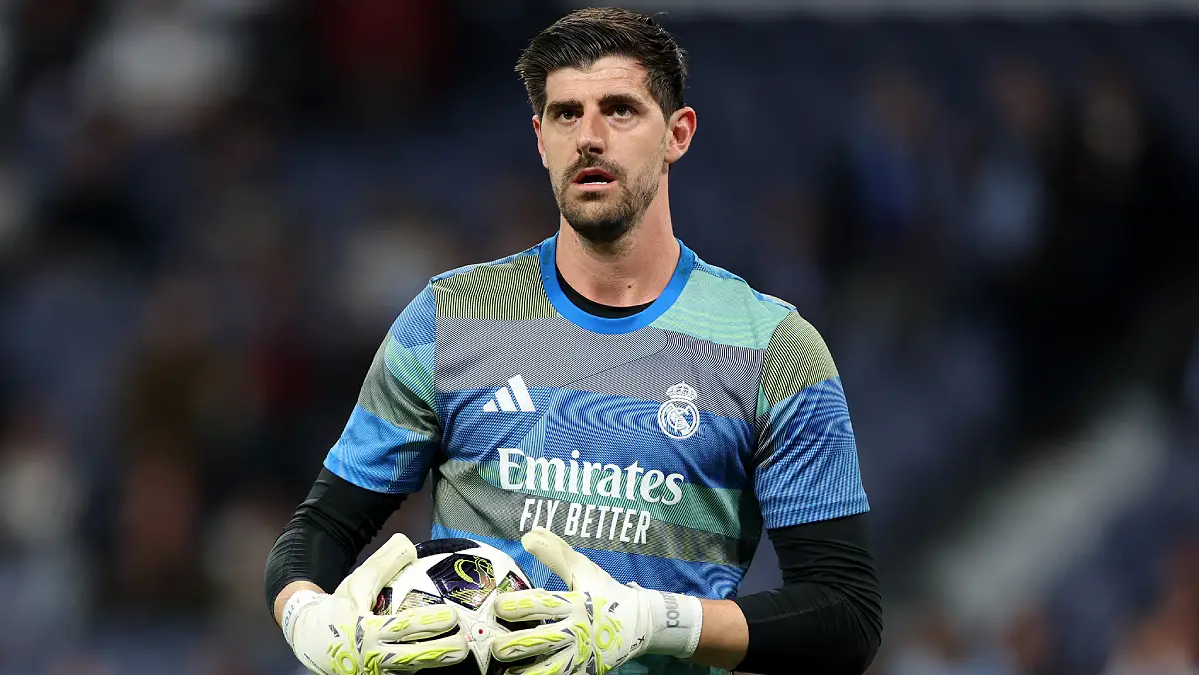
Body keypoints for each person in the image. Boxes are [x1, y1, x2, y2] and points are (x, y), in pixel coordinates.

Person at [265, 8, 882, 675]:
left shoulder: (775, 348)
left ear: (678, 133)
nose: (589, 137)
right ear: (539, 138)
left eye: (619, 110)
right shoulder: (448, 317)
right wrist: (308, 617)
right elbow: (319, 531)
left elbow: (845, 614)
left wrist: (653, 621)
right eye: (565, 114)